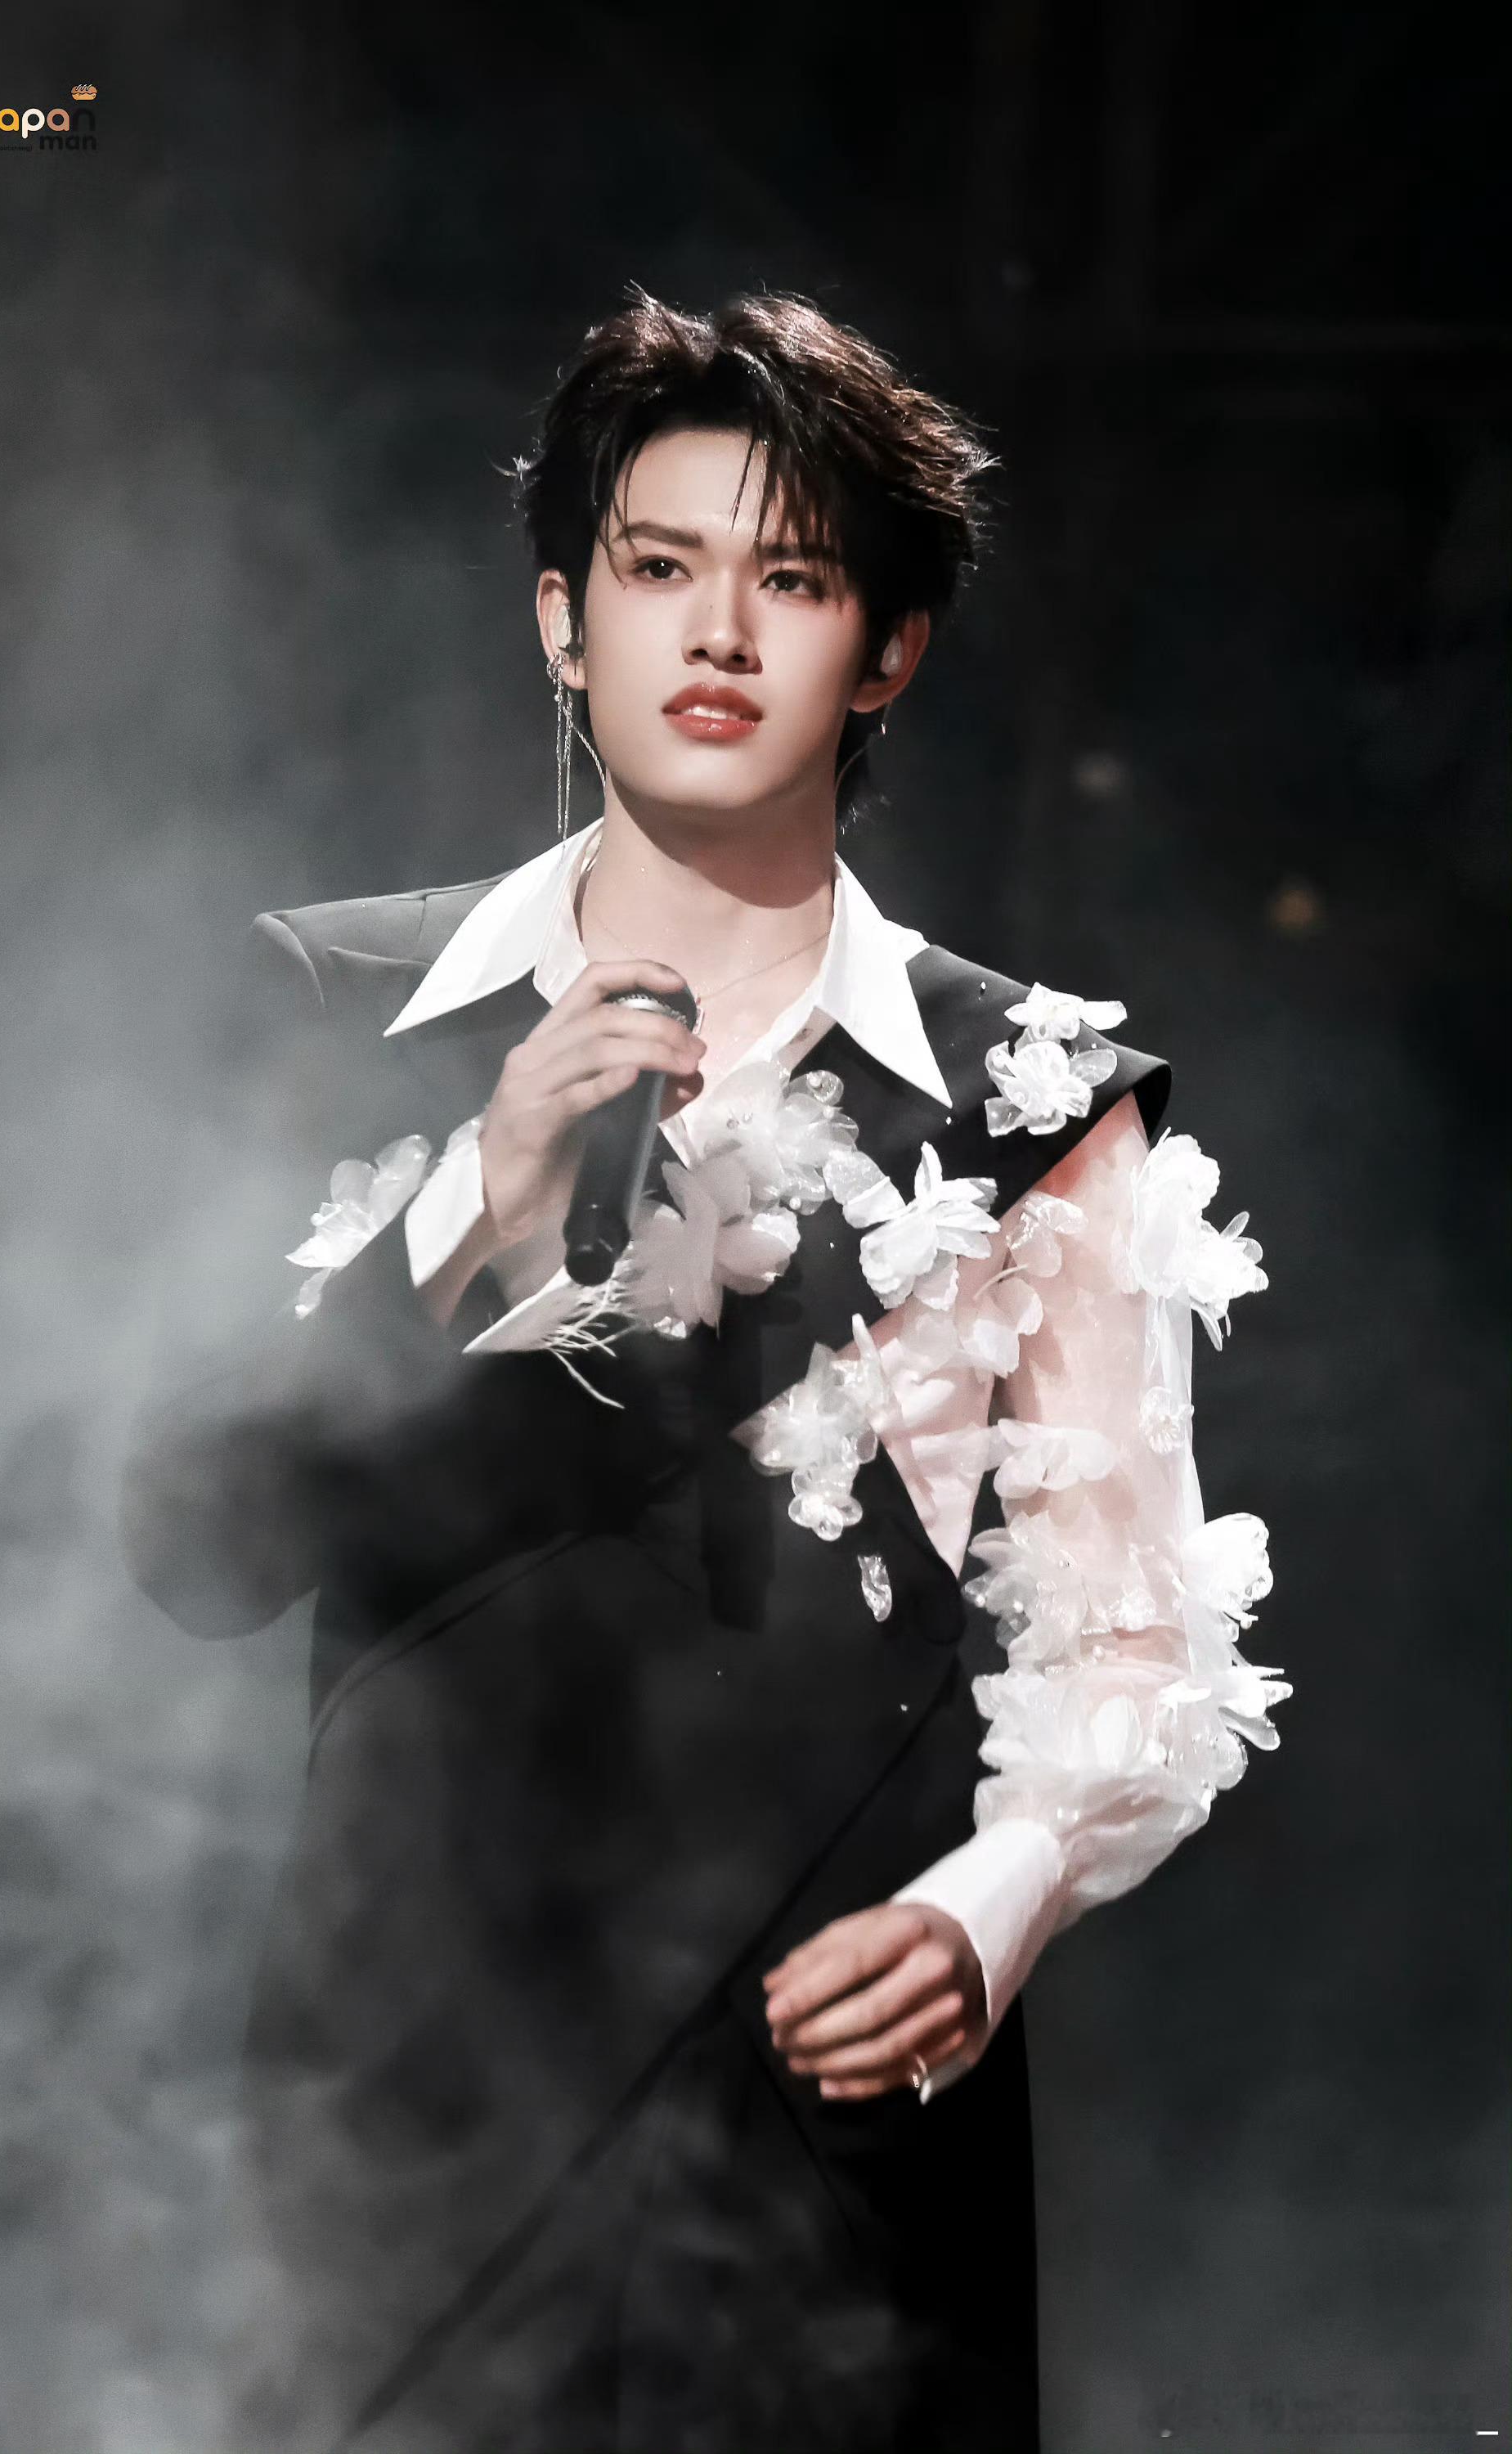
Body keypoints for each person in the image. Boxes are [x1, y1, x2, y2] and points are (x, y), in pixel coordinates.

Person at [120, 287, 1289, 2454]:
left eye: (799, 579)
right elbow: (196, 1547)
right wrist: (484, 1191)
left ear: (891, 649)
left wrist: (994, 1901)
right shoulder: (339, 1008)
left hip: (833, 2125)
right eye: (660, 566)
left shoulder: (1033, 1101)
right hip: (406, 2142)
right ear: (564, 622)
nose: (721, 632)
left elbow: (1136, 1638)